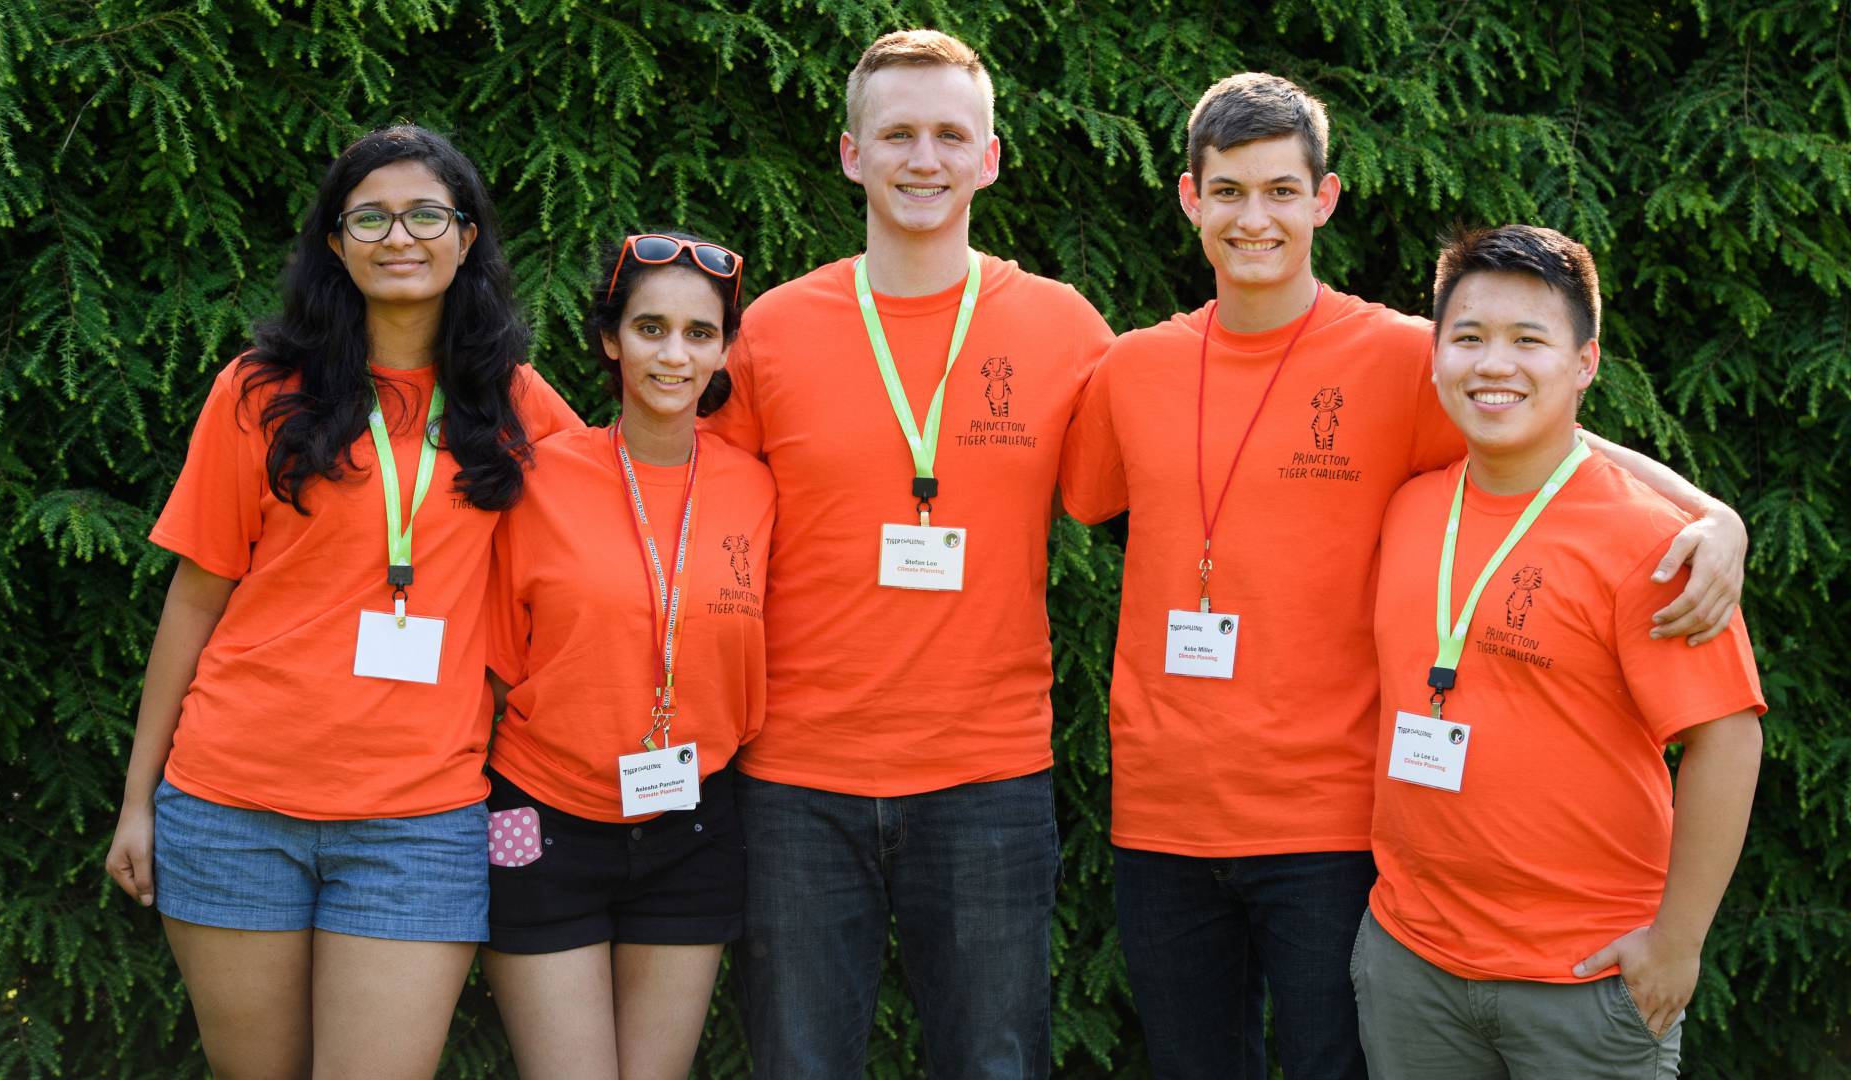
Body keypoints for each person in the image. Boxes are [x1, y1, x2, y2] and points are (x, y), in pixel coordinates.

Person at [1057, 74, 1747, 1080]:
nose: (1257, 218)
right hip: (1162, 821)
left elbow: (1561, 442)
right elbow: (1070, 495)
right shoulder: (1131, 370)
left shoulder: (1403, 357)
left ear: (1324, 200)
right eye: (1232, 191)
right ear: (1189, 199)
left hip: (1329, 826)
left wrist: (1709, 514)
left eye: (1283, 191)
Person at [101, 125, 579, 1079]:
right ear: (335, 241)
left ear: (468, 235)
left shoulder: (519, 405)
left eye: (426, 215)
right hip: (232, 804)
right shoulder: (258, 393)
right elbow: (196, 601)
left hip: (418, 822)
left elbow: (603, 551)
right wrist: (137, 801)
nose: (399, 236)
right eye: (370, 216)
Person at [703, 29, 1116, 1079]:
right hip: (798, 775)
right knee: (799, 1065)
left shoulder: (1066, 329)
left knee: (994, 1063)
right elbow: (692, 519)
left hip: (986, 775)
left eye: (948, 134)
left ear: (989, 159)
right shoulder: (773, 331)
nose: (921, 158)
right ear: (851, 153)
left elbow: (1185, 459)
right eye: (897, 134)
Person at [1353, 223, 1763, 1078]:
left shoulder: (1653, 541)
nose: (1493, 364)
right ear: (1435, 358)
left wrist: (1677, 944)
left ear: (1585, 364)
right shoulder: (1411, 507)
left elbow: (1728, 738)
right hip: (1411, 961)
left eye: (1528, 340)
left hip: (1585, 980)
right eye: (1468, 338)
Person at [478, 232, 774, 1080]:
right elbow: (494, 667)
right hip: (538, 819)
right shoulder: (537, 480)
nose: (673, 355)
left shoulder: (757, 488)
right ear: (611, 340)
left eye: (698, 332)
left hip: (693, 825)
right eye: (649, 329)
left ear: (723, 348)